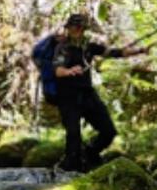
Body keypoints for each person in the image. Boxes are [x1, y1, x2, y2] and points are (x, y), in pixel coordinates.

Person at [53, 13, 149, 172]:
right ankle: (69, 169)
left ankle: (90, 152)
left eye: (78, 27)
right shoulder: (62, 48)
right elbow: (57, 70)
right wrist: (69, 71)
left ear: (83, 29)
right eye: (72, 27)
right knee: (73, 136)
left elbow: (116, 53)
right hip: (68, 97)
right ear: (68, 29)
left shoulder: (89, 47)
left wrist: (140, 50)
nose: (75, 30)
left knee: (108, 131)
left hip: (87, 95)